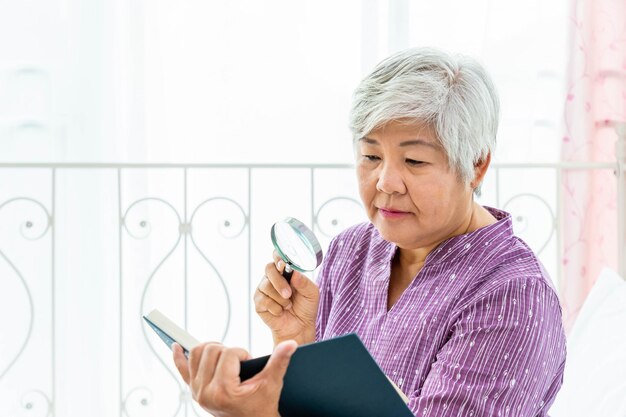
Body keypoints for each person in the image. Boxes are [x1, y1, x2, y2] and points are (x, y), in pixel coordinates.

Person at [172, 47, 567, 417]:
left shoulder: (514, 296)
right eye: (371, 156)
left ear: (477, 165)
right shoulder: (352, 250)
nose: (386, 182)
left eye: (414, 160)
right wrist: (298, 341)